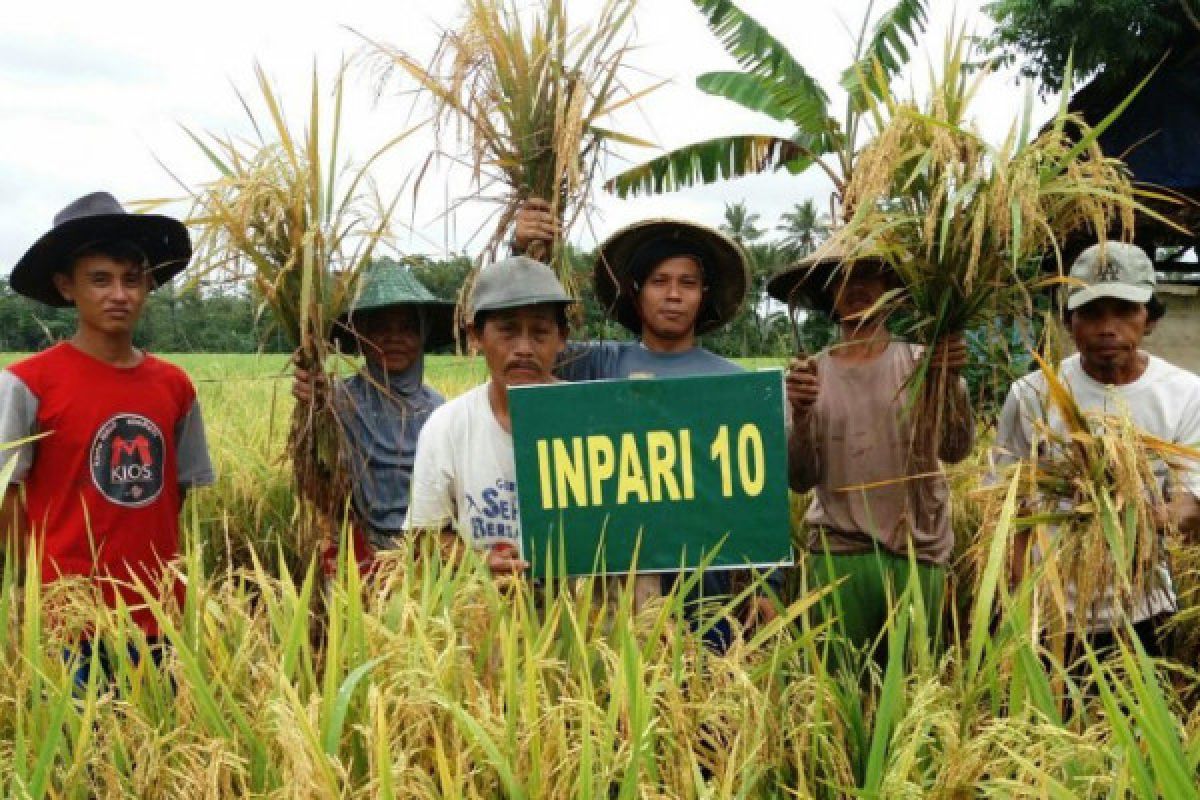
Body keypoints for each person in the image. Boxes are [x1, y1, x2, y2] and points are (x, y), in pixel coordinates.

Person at [515, 201, 779, 643]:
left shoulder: (734, 387)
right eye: (659, 282)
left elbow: (755, 494)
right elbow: (523, 346)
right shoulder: (597, 365)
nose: (673, 294)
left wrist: (767, 583)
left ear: (703, 295)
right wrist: (524, 256)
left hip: (711, 597)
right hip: (620, 599)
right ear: (636, 292)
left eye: (687, 283)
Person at [0, 191, 214, 676]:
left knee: (159, 746)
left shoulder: (175, 386)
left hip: (159, 612)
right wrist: (40, 587)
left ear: (146, 288)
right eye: (100, 280)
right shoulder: (27, 384)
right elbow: (6, 499)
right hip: (70, 620)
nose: (119, 294)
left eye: (132, 280)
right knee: (78, 748)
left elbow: (175, 491)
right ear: (66, 286)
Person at [995, 242, 1200, 659]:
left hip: (1142, 609)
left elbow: (1190, 502)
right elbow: (1006, 502)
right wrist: (1014, 601)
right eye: (1091, 312)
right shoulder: (1033, 394)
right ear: (1070, 322)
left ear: (1150, 318)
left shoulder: (1184, 394)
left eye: (1125, 311)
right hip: (1049, 613)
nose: (1108, 328)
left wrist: (1140, 517)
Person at [770, 242, 973, 654]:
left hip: (917, 553)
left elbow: (955, 450)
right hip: (839, 556)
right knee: (839, 698)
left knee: (917, 694)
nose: (856, 287)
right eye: (842, 278)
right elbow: (799, 479)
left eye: (868, 276)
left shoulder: (926, 363)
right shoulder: (808, 379)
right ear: (829, 293)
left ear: (891, 286)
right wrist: (802, 414)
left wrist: (948, 382)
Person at [404, 255, 573, 576]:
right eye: (507, 332)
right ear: (476, 336)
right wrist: (477, 563)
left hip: (580, 615)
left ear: (562, 337)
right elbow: (423, 536)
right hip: (485, 612)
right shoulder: (447, 427)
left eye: (539, 332)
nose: (524, 348)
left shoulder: (594, 419)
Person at [292, 262, 454, 570]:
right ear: (361, 334)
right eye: (381, 328)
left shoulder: (440, 411)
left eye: (407, 327)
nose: (394, 338)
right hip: (357, 555)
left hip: (428, 558)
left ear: (423, 334)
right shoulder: (336, 401)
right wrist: (311, 414)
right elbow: (314, 482)